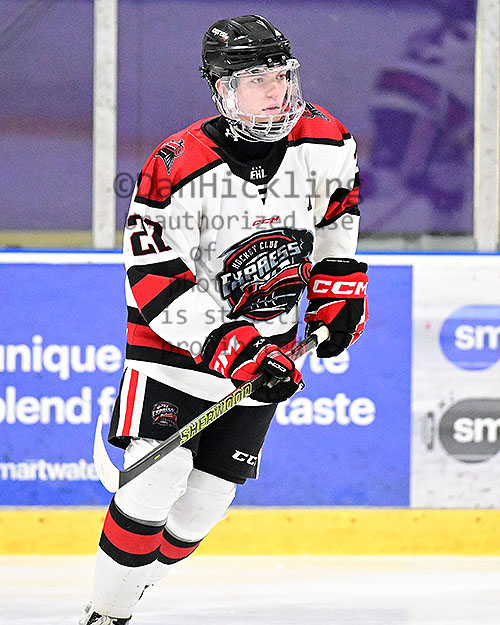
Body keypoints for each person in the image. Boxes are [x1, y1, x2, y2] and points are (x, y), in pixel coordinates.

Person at [80, 14, 368, 625]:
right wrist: (230, 345)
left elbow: (336, 220)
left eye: (281, 76)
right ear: (222, 89)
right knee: (156, 482)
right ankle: (107, 614)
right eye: (255, 80)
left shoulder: (328, 140)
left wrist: (339, 290)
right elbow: (155, 278)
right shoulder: (175, 164)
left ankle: (129, 588)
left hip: (267, 348)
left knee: (206, 504)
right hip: (172, 354)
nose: (275, 91)